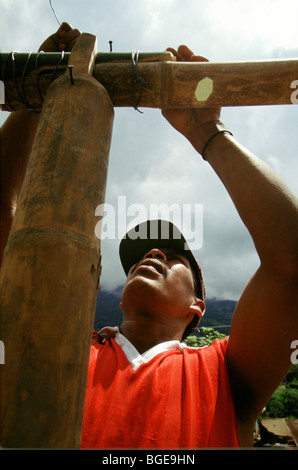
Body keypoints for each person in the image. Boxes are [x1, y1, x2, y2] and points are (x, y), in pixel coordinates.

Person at [1, 24, 297, 449]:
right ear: (118, 297)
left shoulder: (224, 372)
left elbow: (291, 261)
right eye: (139, 255)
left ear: (198, 306)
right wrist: (40, 90)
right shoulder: (52, 342)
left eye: (175, 255)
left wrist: (208, 132)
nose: (153, 252)